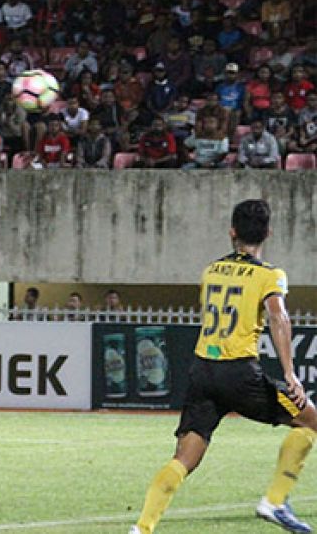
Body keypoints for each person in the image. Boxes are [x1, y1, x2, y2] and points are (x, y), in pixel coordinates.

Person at [131, 200, 317, 534]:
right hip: (239, 372)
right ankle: (275, 501)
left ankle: (142, 528)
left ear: (232, 232)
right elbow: (278, 315)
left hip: (203, 370)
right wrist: (289, 373)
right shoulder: (270, 275)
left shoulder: (211, 270)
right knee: (310, 420)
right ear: (268, 233)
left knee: (185, 457)